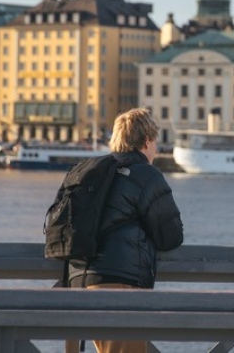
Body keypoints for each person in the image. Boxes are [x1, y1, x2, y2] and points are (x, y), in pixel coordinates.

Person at [67, 108, 184, 353]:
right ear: (146, 141)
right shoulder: (146, 175)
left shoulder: (90, 170)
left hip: (76, 284)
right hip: (117, 287)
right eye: (155, 142)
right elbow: (171, 236)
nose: (156, 150)